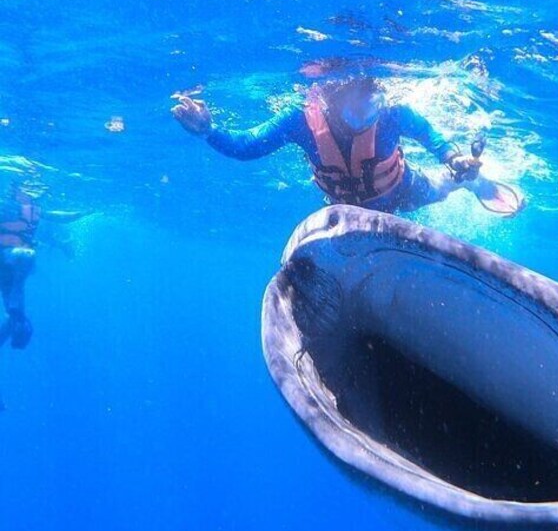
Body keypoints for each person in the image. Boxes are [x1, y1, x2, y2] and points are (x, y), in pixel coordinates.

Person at [171, 76, 522, 214]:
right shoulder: (300, 120)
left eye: (372, 110)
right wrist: (208, 131)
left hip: (402, 189)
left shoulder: (393, 110)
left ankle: (472, 182)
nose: (365, 120)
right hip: (348, 206)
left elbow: (430, 134)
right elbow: (247, 146)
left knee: (443, 185)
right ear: (329, 98)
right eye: (356, 112)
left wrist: (454, 157)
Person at [0, 178, 88, 349]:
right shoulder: (8, 205)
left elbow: (59, 216)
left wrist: (83, 213)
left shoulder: (31, 209)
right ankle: (16, 311)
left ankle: (14, 320)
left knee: (15, 316)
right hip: (10, 259)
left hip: (10, 265)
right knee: (25, 257)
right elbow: (59, 217)